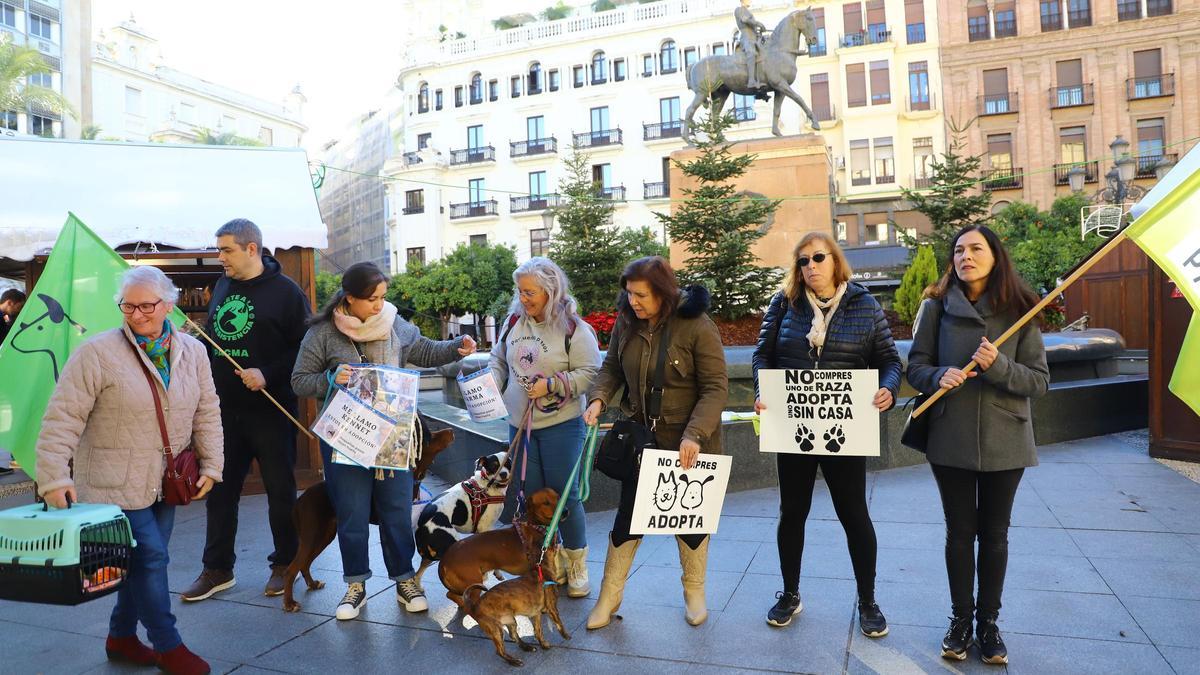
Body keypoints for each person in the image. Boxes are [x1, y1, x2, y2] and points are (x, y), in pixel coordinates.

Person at [36, 266, 223, 675]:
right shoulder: (97, 352)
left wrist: (212, 463)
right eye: (128, 306)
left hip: (166, 479)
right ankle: (168, 645)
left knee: (139, 564)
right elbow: (63, 415)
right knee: (151, 558)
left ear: (169, 306)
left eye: (146, 306)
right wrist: (53, 475)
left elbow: (207, 410)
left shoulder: (194, 352)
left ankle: (121, 636)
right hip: (111, 479)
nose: (136, 315)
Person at [292, 262, 476, 620]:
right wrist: (331, 377)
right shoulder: (323, 333)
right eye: (372, 299)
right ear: (349, 299)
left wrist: (457, 347)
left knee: (395, 511)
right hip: (346, 439)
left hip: (393, 436)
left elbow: (423, 350)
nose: (380, 305)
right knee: (352, 514)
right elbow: (299, 380)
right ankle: (355, 585)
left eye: (383, 297)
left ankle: (405, 580)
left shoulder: (393, 323)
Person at [906, 225, 1049, 666]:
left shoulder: (1021, 311)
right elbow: (916, 365)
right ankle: (960, 622)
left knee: (996, 534)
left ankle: (989, 624)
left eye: (975, 248)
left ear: (995, 256)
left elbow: (1038, 381)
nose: (965, 256)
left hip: (1007, 438)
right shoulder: (935, 308)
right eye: (959, 249)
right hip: (951, 436)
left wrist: (999, 364)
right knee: (959, 533)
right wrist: (937, 376)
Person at [751, 232, 900, 635]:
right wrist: (764, 389)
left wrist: (888, 388)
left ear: (835, 261)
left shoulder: (864, 305)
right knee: (792, 513)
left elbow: (889, 360)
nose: (811, 266)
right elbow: (763, 354)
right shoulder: (785, 304)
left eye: (818, 258)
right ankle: (790, 593)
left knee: (854, 515)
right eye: (803, 261)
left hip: (845, 428)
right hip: (794, 423)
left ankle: (868, 601)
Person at [583, 256, 728, 629]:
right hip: (641, 441)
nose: (633, 301)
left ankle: (694, 593)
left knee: (690, 521)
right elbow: (611, 367)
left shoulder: (697, 325)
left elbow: (715, 388)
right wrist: (598, 398)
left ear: (663, 292)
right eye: (629, 294)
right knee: (628, 518)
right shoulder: (626, 323)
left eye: (641, 295)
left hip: (688, 442)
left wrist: (695, 434)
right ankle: (608, 598)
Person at [182, 219, 312, 603]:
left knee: (280, 491)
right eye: (218, 249)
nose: (219, 257)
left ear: (251, 249)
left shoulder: (287, 293)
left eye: (226, 250)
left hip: (271, 410)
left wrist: (267, 374)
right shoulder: (222, 285)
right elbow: (218, 337)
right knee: (220, 492)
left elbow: (306, 351)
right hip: (224, 409)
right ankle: (217, 569)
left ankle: (285, 564)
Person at [489, 257, 602, 598]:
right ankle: (549, 563)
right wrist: (492, 381)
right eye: (520, 291)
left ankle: (577, 563)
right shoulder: (513, 323)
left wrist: (552, 384)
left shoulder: (574, 330)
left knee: (563, 498)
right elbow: (497, 359)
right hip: (519, 426)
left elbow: (591, 373)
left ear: (551, 291)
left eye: (530, 292)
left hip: (561, 426)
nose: (523, 298)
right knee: (532, 499)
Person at [735, 0, 768, 89]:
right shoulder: (739, 9)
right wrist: (758, 24)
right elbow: (744, 19)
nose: (751, 1)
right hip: (746, 36)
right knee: (751, 54)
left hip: (753, 37)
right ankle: (751, 81)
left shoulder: (747, 11)